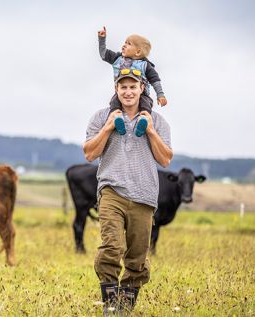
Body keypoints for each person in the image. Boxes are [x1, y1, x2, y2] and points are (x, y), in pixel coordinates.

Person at [83, 69, 173, 315]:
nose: (128, 91)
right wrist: (108, 128)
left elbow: (165, 160)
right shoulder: (101, 117)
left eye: (133, 86)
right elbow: (90, 153)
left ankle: (124, 309)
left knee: (137, 256)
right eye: (123, 87)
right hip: (112, 191)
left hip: (144, 195)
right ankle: (110, 307)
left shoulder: (157, 121)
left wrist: (151, 131)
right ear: (116, 89)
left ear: (142, 88)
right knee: (111, 247)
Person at [98, 26, 167, 137]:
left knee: (146, 104)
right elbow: (103, 54)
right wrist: (102, 39)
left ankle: (143, 121)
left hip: (141, 95)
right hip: (121, 93)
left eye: (129, 44)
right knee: (114, 102)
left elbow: (155, 80)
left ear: (138, 52)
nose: (124, 45)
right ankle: (117, 119)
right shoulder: (118, 59)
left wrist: (160, 94)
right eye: (125, 42)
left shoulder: (145, 65)